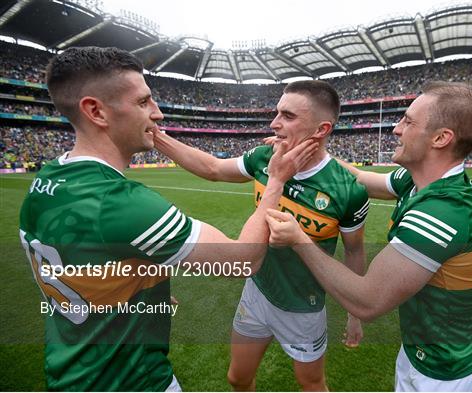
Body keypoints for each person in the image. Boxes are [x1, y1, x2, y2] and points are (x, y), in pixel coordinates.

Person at [18, 46, 316, 391]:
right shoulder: (120, 203)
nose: (157, 113)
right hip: (131, 380)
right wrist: (276, 179)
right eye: (144, 102)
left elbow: (78, 264)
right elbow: (243, 260)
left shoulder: (44, 182)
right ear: (96, 111)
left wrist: (141, 287)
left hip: (68, 373)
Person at [266, 81, 472, 391]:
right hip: (419, 355)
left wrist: (299, 240)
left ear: (441, 138)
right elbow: (360, 177)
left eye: (408, 121)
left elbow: (368, 301)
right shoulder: (417, 181)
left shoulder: (443, 213)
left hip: (446, 376)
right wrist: (313, 150)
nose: (396, 129)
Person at [153, 80, 369, 391]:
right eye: (277, 112)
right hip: (257, 293)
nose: (274, 123)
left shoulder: (348, 190)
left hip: (303, 306)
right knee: (237, 378)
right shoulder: (263, 157)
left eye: (288, 116)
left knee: (311, 384)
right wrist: (157, 138)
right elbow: (213, 168)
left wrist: (354, 314)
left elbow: (355, 252)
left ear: (321, 129)